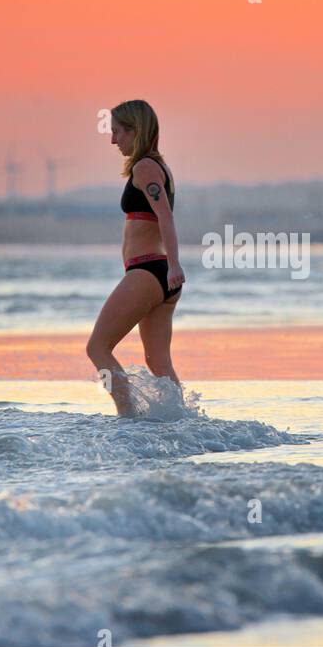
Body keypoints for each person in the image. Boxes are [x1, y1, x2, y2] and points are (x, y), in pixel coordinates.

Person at [86, 100, 184, 416]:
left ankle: (126, 416)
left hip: (149, 272)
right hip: (158, 276)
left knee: (97, 348)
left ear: (134, 130)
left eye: (117, 132)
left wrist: (174, 265)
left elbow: (166, 217)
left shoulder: (145, 167)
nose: (113, 140)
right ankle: (178, 419)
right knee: (158, 361)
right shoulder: (154, 166)